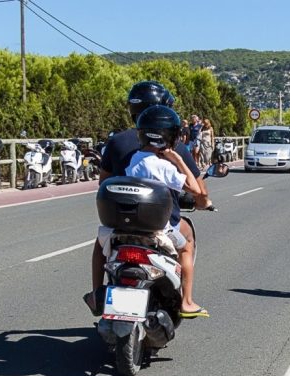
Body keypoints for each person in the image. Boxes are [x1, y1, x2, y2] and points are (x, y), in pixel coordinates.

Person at [88, 81, 213, 315]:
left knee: (99, 246)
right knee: (187, 242)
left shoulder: (118, 143)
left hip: (121, 222)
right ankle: (186, 301)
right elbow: (199, 191)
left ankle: (97, 294)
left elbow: (104, 182)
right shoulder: (173, 148)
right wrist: (203, 202)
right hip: (160, 224)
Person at [118, 104, 208, 317]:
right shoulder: (163, 166)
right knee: (186, 245)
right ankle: (186, 301)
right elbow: (195, 189)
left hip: (130, 226)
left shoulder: (134, 159)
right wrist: (178, 160)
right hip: (158, 229)